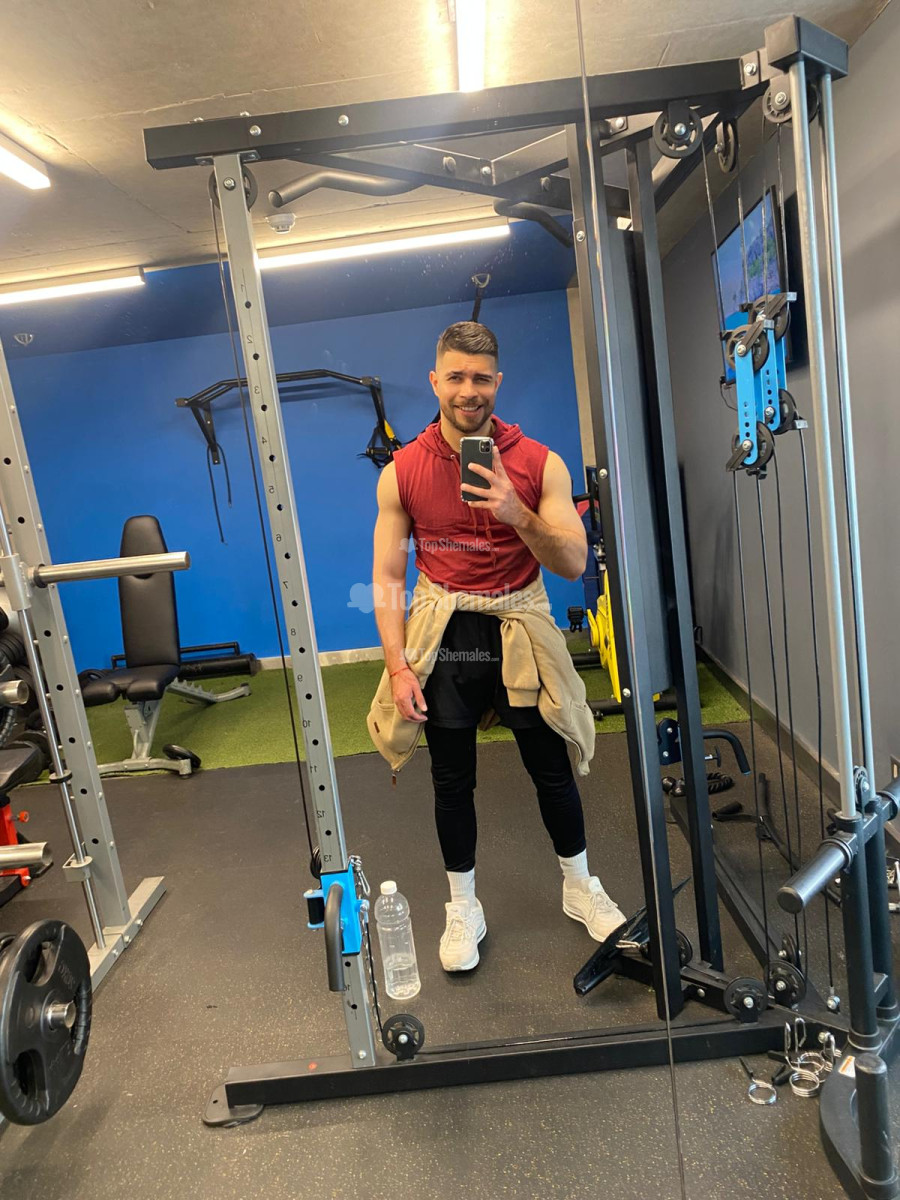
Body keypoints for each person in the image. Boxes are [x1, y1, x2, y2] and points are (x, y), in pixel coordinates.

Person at [370, 320, 625, 972]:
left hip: (520, 622)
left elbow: (572, 562)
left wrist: (517, 511)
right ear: (435, 381)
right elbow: (389, 576)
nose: (468, 390)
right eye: (456, 376)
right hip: (448, 631)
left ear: (498, 382)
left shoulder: (540, 462)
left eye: (481, 378)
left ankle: (579, 886)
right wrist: (398, 667)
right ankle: (463, 906)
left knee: (551, 766)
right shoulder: (402, 472)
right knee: (451, 778)